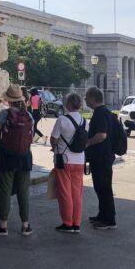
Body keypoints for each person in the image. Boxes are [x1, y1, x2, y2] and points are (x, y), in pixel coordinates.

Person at [0, 84, 34, 237]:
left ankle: (3, 225)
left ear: (8, 100)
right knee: (23, 190)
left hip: (7, 157)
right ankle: (25, 225)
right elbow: (31, 138)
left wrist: (6, 147)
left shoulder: (4, 115)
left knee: (5, 190)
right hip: (25, 157)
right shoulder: (29, 116)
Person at [50, 92, 85, 233]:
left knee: (65, 192)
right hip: (80, 160)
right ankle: (77, 222)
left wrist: (54, 147)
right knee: (77, 193)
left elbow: (53, 138)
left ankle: (67, 222)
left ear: (68, 103)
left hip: (64, 159)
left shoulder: (62, 120)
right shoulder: (84, 121)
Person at [85, 86, 117, 230]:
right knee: (100, 187)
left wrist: (88, 142)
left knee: (104, 188)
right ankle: (102, 214)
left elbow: (101, 135)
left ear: (93, 98)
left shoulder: (100, 113)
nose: (85, 99)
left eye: (87, 97)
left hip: (101, 156)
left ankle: (109, 220)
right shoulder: (105, 112)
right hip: (103, 156)